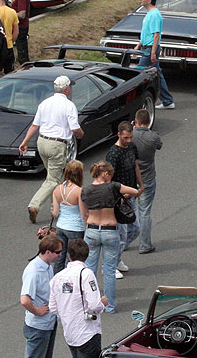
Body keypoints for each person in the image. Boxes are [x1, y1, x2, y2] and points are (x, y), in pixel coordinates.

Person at [20, 75, 84, 224]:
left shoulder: (45, 103)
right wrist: (81, 134)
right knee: (53, 179)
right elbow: (75, 129)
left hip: (42, 142)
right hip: (57, 145)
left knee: (51, 177)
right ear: (67, 89)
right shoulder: (69, 106)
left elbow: (35, 125)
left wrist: (25, 141)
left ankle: (55, 207)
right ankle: (34, 205)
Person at [79, 161, 138, 313]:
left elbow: (84, 214)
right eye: (110, 175)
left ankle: (89, 303)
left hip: (91, 230)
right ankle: (110, 305)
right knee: (110, 270)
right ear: (105, 173)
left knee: (89, 269)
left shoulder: (85, 190)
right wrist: (120, 197)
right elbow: (135, 191)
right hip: (109, 230)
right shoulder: (113, 187)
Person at [49, 239, 109, 358]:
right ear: (87, 255)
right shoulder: (86, 274)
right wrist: (103, 303)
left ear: (69, 255)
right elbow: (94, 305)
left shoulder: (57, 277)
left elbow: (53, 307)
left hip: (70, 333)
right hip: (87, 333)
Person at [105, 121, 144, 277]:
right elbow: (108, 179)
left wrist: (140, 185)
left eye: (130, 137)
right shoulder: (113, 153)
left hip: (131, 197)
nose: (128, 141)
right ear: (119, 134)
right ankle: (110, 265)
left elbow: (135, 166)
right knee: (120, 235)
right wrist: (120, 196)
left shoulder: (132, 147)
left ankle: (117, 257)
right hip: (119, 201)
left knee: (135, 229)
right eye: (126, 138)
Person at [21, 235, 62, 358]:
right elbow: (24, 300)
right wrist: (37, 311)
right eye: (58, 252)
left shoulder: (47, 265)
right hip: (38, 327)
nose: (60, 255)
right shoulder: (34, 271)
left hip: (48, 323)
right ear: (48, 252)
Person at [134, 0, 175, 109]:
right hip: (147, 48)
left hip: (150, 49)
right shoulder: (149, 14)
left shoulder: (155, 15)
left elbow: (156, 35)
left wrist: (152, 53)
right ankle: (167, 101)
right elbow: (147, 33)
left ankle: (138, 102)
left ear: (149, 0)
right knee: (157, 75)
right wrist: (139, 45)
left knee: (139, 74)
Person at [132, 108, 162, 254]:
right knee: (144, 212)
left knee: (128, 211)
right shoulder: (153, 137)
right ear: (149, 121)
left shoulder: (130, 136)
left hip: (131, 178)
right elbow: (159, 145)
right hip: (148, 178)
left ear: (136, 121)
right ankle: (145, 244)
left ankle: (123, 241)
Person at [52, 160, 86, 274]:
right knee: (72, 258)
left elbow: (55, 213)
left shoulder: (58, 189)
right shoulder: (78, 191)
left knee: (59, 256)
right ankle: (70, 281)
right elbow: (83, 213)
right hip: (75, 227)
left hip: (61, 226)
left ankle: (56, 280)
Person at [11, 0, 31, 64]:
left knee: (22, 49)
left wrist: (10, 14)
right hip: (18, 26)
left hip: (21, 27)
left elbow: (22, 14)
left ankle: (25, 67)